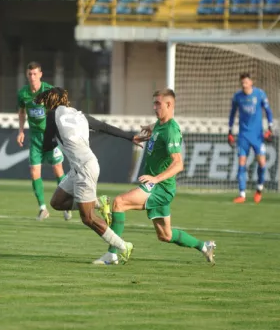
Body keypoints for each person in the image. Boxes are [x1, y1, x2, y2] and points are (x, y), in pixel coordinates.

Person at [93, 88, 216, 266]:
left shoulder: (171, 130)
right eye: (154, 103)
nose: (154, 107)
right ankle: (204, 246)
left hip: (160, 187)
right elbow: (156, 129)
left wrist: (156, 179)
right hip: (161, 187)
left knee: (119, 203)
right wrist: (148, 129)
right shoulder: (160, 124)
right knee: (165, 235)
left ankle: (112, 254)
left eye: (158, 103)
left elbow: (179, 163)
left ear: (169, 105)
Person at [34, 87, 145, 264]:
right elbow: (104, 127)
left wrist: (50, 138)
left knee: (88, 218)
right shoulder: (79, 115)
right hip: (81, 167)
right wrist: (130, 137)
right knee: (57, 202)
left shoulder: (52, 115)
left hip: (84, 168)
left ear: (51, 102)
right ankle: (99, 202)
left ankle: (123, 247)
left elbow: (46, 145)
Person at [16, 62, 68, 221]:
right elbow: (22, 112)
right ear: (27, 75)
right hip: (35, 138)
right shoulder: (23, 93)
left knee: (58, 170)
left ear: (40, 74)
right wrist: (21, 131)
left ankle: (66, 204)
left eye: (35, 74)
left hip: (50, 136)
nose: (32, 77)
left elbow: (61, 108)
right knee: (34, 172)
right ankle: (43, 209)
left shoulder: (48, 90)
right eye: (29, 74)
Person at [228, 73, 274, 203]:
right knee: (241, 163)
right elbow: (232, 114)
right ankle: (242, 194)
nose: (244, 84)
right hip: (243, 135)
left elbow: (268, 111)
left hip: (258, 136)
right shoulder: (237, 97)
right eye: (242, 82)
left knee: (262, 164)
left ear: (251, 82)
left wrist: (270, 127)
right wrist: (229, 131)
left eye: (246, 82)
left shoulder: (260, 94)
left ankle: (259, 189)